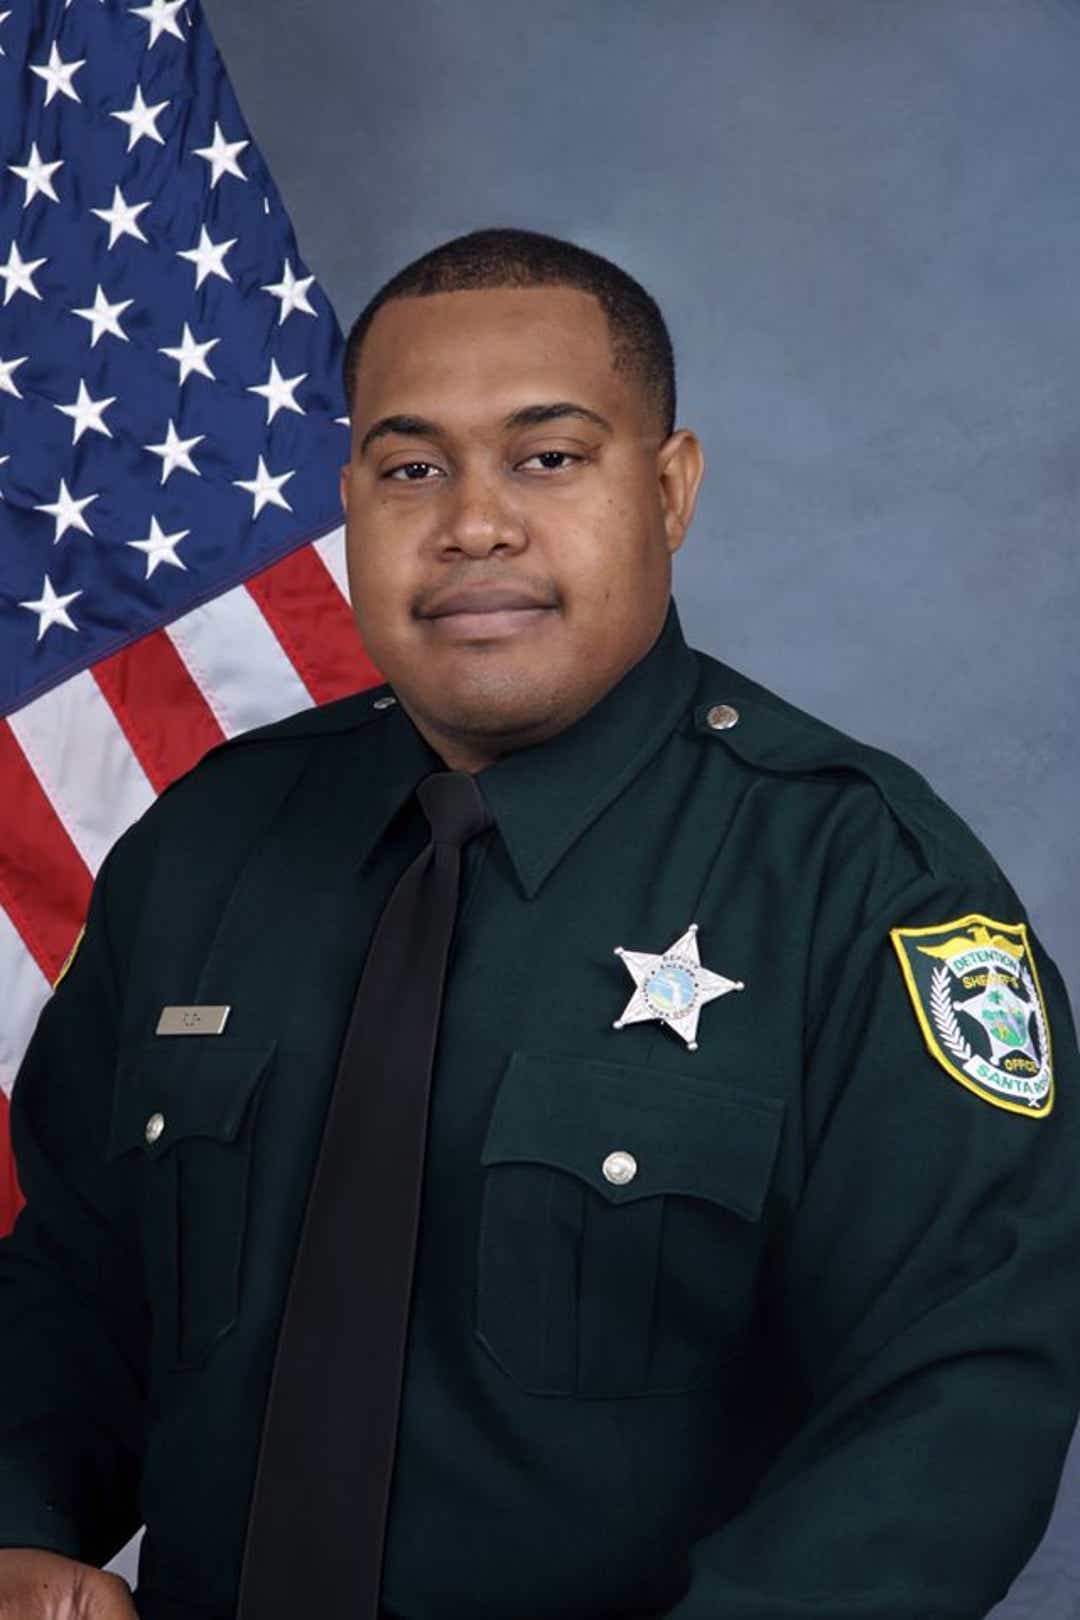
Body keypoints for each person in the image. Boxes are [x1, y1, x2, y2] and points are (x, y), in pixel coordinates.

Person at [0, 226, 1077, 1620]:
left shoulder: (861, 883)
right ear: (350, 501)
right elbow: (79, 1287)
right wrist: (18, 1523)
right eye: (411, 470)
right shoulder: (208, 845)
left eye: (548, 457)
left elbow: (956, 1394)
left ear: (670, 492)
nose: (474, 524)